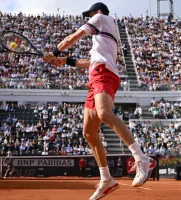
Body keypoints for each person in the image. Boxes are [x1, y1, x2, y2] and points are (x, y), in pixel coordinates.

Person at [43, 2, 156, 200]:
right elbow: (90, 62)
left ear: (98, 12)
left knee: (104, 114)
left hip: (103, 74)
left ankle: (141, 157)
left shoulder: (101, 18)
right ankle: (106, 179)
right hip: (96, 74)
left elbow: (73, 37)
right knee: (88, 132)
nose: (88, 18)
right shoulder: (104, 37)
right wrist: (65, 61)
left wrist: (53, 53)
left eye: (90, 14)